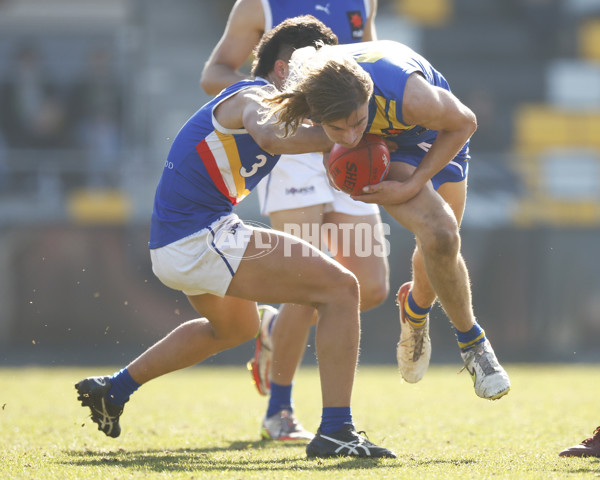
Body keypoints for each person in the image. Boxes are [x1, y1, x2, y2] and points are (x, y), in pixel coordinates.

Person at [75, 17, 396, 459]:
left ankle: (115, 388)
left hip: (178, 242)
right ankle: (338, 430)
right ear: (286, 69)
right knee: (341, 290)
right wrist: (337, 138)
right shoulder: (254, 95)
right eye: (320, 70)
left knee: (235, 328)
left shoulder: (264, 98)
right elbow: (266, 133)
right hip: (201, 236)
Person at [259, 38, 512, 400]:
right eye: (336, 130)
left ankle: (415, 310)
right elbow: (274, 137)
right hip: (387, 146)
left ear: (368, 100)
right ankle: (473, 345)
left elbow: (465, 122)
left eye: (357, 123)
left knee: (443, 246)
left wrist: (413, 183)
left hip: (437, 134)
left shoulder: (412, 96)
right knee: (439, 233)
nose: (349, 137)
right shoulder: (310, 96)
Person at [201, 0, 390, 442]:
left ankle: (274, 327)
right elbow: (214, 75)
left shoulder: (363, 3)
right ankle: (278, 411)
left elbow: (371, 65)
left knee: (373, 286)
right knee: (306, 283)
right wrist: (278, 101)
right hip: (290, 148)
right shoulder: (259, 6)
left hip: (347, 142)